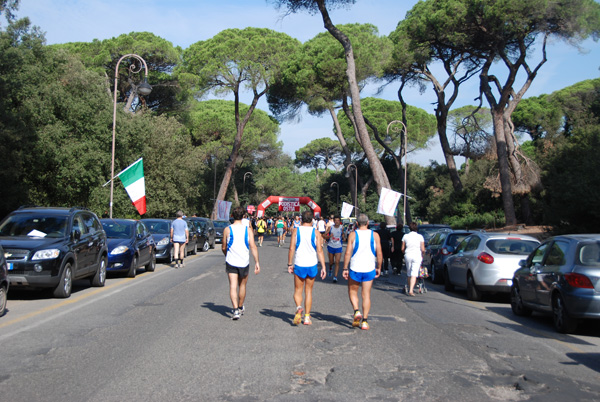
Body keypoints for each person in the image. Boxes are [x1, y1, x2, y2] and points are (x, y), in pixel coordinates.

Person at [342, 213, 382, 330]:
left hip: (355, 268)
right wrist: (379, 267)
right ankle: (365, 321)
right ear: (368, 223)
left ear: (357, 224)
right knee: (366, 295)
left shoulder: (353, 235)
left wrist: (345, 268)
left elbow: (348, 253)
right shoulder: (375, 235)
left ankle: (356, 310)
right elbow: (379, 253)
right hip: (369, 268)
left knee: (352, 292)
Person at [287, 210, 327, 326]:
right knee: (308, 291)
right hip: (312, 264)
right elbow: (319, 251)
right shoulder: (316, 232)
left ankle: (299, 307)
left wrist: (290, 264)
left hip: (300, 263)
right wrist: (323, 266)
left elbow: (291, 248)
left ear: (301, 219)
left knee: (298, 290)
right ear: (312, 220)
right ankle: (307, 317)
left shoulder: (296, 230)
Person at [222, 206, 261, 320]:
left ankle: (235, 310)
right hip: (244, 261)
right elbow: (253, 246)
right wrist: (257, 262)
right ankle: (240, 307)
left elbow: (224, 247)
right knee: (242, 285)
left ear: (232, 216)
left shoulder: (227, 229)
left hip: (231, 261)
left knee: (233, 286)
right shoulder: (248, 230)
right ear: (244, 216)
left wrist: (227, 254)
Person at [401, 222, 425, 296]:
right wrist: (422, 254)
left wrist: (404, 253)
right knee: (414, 273)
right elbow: (423, 249)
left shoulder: (405, 236)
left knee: (409, 272)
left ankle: (409, 287)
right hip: (417, 255)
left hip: (408, 255)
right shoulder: (420, 236)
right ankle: (411, 290)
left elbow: (402, 248)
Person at [324, 216, 345, 282]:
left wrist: (344, 238)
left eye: (338, 220)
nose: (336, 221)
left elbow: (343, 235)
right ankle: (330, 268)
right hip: (331, 246)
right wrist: (329, 236)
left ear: (339, 221)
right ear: (334, 221)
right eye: (335, 220)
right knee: (331, 262)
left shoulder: (342, 227)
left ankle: (335, 276)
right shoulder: (331, 227)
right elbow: (324, 235)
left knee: (337, 262)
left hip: (338, 246)